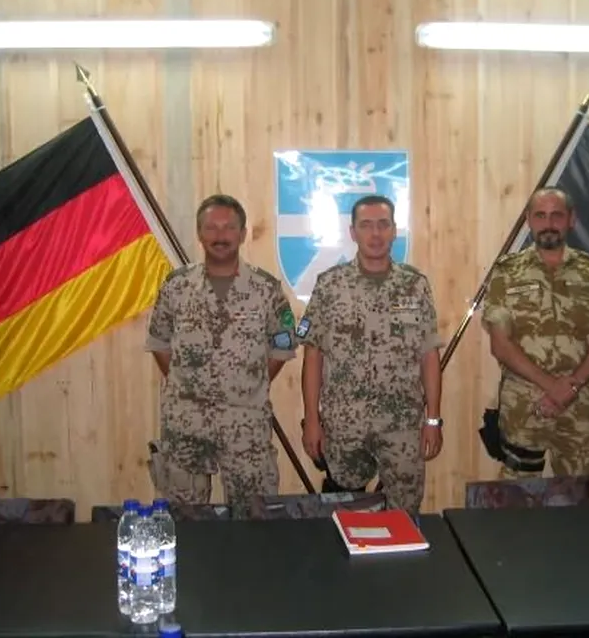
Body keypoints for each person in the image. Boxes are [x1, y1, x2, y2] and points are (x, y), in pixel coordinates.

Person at [144, 194, 299, 518]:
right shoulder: (176, 286)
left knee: (253, 518)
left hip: (246, 423)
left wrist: (251, 383)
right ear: (200, 234)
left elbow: (283, 345)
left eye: (229, 227)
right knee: (184, 518)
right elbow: (159, 342)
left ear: (242, 234)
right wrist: (185, 385)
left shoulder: (266, 289)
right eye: (211, 228)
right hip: (185, 424)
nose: (220, 235)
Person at [298, 194, 443, 514]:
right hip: (344, 425)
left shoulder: (415, 285)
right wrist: (312, 420)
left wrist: (433, 419)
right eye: (366, 225)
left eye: (383, 224)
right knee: (347, 513)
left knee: (405, 513)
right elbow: (313, 356)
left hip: (402, 425)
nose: (375, 234)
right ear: (353, 233)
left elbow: (429, 355)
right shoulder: (330, 285)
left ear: (394, 230)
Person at [481, 187, 589, 484]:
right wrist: (553, 387)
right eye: (540, 215)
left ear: (571, 220)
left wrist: (572, 386)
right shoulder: (507, 271)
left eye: (557, 215)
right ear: (529, 220)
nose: (549, 223)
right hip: (524, 404)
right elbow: (500, 345)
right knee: (517, 494)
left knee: (580, 494)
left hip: (578, 401)